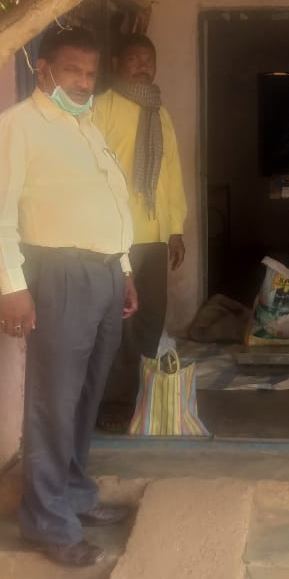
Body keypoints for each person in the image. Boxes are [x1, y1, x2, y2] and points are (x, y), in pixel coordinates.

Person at [0, 26, 139, 567]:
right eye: (73, 71)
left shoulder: (86, 126)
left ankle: (72, 493)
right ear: (44, 70)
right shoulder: (17, 127)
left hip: (103, 274)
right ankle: (46, 522)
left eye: (90, 74)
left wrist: (125, 269)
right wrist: (12, 286)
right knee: (53, 399)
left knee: (87, 393)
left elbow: (109, 207)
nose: (83, 82)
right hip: (58, 274)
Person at [93, 33, 187, 417]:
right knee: (120, 325)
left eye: (148, 59)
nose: (143, 66)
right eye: (134, 59)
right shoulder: (101, 109)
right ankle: (114, 406)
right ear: (117, 63)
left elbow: (171, 174)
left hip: (155, 236)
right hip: (117, 240)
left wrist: (175, 229)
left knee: (150, 319)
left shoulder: (159, 112)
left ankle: (142, 400)